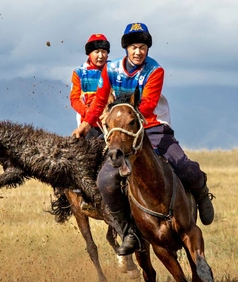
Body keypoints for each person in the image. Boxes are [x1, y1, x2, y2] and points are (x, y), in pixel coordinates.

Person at [72, 23, 215, 256]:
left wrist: (125, 116)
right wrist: (87, 124)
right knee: (105, 182)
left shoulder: (155, 71)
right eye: (133, 47)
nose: (138, 52)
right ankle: (128, 231)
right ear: (126, 49)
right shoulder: (111, 69)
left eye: (142, 47)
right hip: (123, 133)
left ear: (147, 49)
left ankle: (201, 193)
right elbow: (99, 101)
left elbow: (148, 105)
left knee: (184, 166)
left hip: (152, 127)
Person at [69, 34, 110, 140]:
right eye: (97, 52)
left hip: (111, 121)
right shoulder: (79, 73)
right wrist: (89, 113)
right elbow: (74, 99)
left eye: (104, 51)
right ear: (89, 54)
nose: (101, 55)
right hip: (89, 124)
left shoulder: (114, 70)